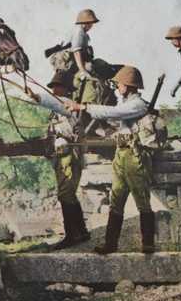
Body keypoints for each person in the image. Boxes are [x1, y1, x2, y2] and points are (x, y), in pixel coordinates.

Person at [67, 66, 155, 254]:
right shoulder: (127, 104)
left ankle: (148, 243)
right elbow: (115, 117)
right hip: (121, 153)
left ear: (129, 86)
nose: (117, 87)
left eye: (119, 84)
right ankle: (110, 244)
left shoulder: (137, 104)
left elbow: (113, 113)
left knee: (142, 199)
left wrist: (85, 107)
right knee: (116, 199)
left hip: (134, 155)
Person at [26, 71, 90, 249]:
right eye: (53, 87)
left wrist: (37, 98)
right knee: (68, 195)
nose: (53, 89)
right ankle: (81, 232)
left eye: (56, 87)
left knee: (65, 195)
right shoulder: (60, 108)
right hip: (63, 156)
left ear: (64, 89)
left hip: (69, 156)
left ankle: (72, 235)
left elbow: (67, 127)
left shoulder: (68, 106)